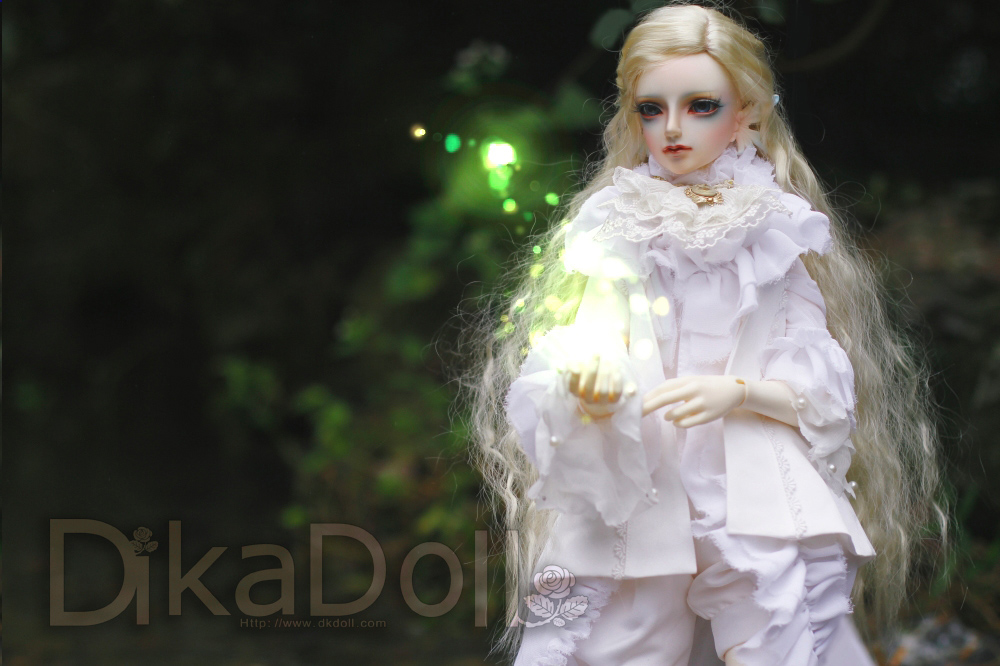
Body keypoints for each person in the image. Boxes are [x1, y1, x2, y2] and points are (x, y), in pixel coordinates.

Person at [461, 4, 946, 665]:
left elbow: (820, 383)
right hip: (642, 469)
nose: (672, 128)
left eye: (700, 106)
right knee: (607, 636)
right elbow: (596, 331)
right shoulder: (617, 221)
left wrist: (739, 392)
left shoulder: (776, 227)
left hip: (749, 479)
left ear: (746, 114)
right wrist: (593, 381)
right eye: (651, 109)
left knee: (778, 625)